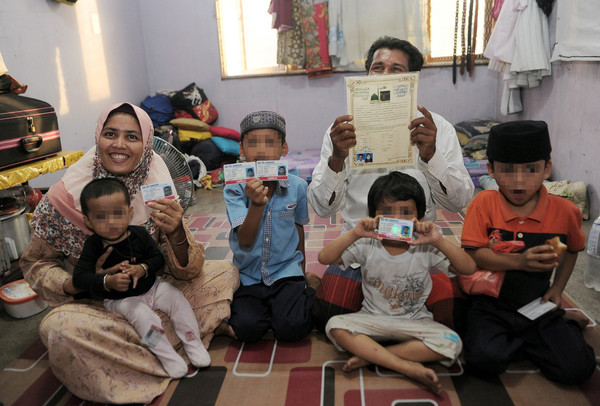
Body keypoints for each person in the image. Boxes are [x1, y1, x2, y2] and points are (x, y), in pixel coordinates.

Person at [19, 102, 239, 404]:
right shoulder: (65, 195)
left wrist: (175, 233)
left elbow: (186, 271)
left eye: (132, 137)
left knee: (224, 271)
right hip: (98, 308)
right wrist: (77, 283)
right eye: (111, 134)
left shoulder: (158, 187)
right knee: (59, 329)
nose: (120, 145)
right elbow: (35, 264)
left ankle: (140, 347)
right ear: (98, 136)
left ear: (147, 143)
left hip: (153, 291)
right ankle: (176, 340)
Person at [308, 36, 473, 330]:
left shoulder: (438, 129)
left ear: (413, 79)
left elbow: (459, 202)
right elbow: (321, 207)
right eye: (377, 67)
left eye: (396, 70)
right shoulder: (342, 131)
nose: (384, 75)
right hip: (363, 244)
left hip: (418, 248)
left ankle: (377, 321)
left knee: (454, 317)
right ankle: (344, 294)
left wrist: (431, 154)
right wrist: (337, 158)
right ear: (367, 75)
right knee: (327, 313)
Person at [461, 120, 595, 384]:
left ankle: (556, 326)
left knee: (578, 368)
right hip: (491, 303)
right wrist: (520, 261)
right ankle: (525, 339)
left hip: (537, 303)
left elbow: (573, 250)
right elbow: (475, 254)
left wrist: (557, 289)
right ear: (491, 170)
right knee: (484, 360)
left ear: (547, 169)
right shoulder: (483, 203)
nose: (519, 181)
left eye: (531, 169)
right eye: (507, 170)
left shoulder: (567, 212)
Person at [319, 172, 476, 394]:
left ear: (419, 217)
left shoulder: (426, 246)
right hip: (373, 319)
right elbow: (325, 258)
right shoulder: (367, 243)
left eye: (405, 213)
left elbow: (468, 268)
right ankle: (406, 366)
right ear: (374, 215)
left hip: (415, 322)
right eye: (387, 212)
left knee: (452, 341)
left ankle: (371, 357)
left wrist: (438, 240)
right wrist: (355, 233)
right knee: (335, 325)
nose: (397, 219)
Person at [73, 178, 210, 378]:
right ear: (88, 220)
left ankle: (192, 341)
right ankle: (167, 356)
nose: (111, 222)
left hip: (153, 286)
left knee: (178, 300)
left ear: (129, 212)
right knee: (146, 319)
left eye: (117, 214)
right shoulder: (93, 245)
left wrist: (142, 268)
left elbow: (157, 259)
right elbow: (79, 278)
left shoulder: (139, 233)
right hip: (122, 300)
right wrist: (107, 281)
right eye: (101, 217)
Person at [220, 111, 316, 343]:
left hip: (285, 271)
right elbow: (245, 240)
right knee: (247, 329)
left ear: (283, 149)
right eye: (252, 143)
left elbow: (298, 229)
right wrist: (256, 204)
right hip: (249, 274)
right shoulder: (233, 189)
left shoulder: (297, 187)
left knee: (293, 327)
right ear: (241, 150)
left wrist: (301, 273)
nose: (261, 151)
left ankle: (311, 287)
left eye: (270, 143)